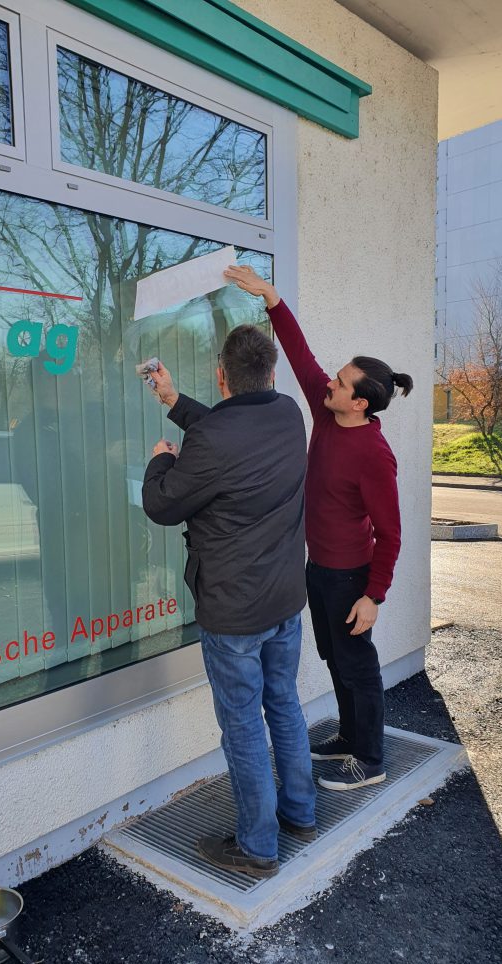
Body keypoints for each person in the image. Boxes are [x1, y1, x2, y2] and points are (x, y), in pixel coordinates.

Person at [224, 265, 413, 793]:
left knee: (358, 665)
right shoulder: (328, 414)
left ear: (360, 402)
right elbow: (301, 355)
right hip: (320, 570)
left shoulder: (374, 454)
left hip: (352, 578)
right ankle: (350, 738)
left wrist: (374, 595)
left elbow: (391, 533)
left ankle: (370, 760)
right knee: (335, 659)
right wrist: (272, 298)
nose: (329, 381)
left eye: (341, 382)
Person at [142, 325, 316, 879]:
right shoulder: (289, 414)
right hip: (285, 600)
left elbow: (162, 505)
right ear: (272, 374)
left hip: (235, 612)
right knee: (284, 704)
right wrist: (174, 400)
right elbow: (228, 434)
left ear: (221, 376)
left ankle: (258, 846)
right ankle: (300, 812)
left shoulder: (213, 441)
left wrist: (161, 460)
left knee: (242, 724)